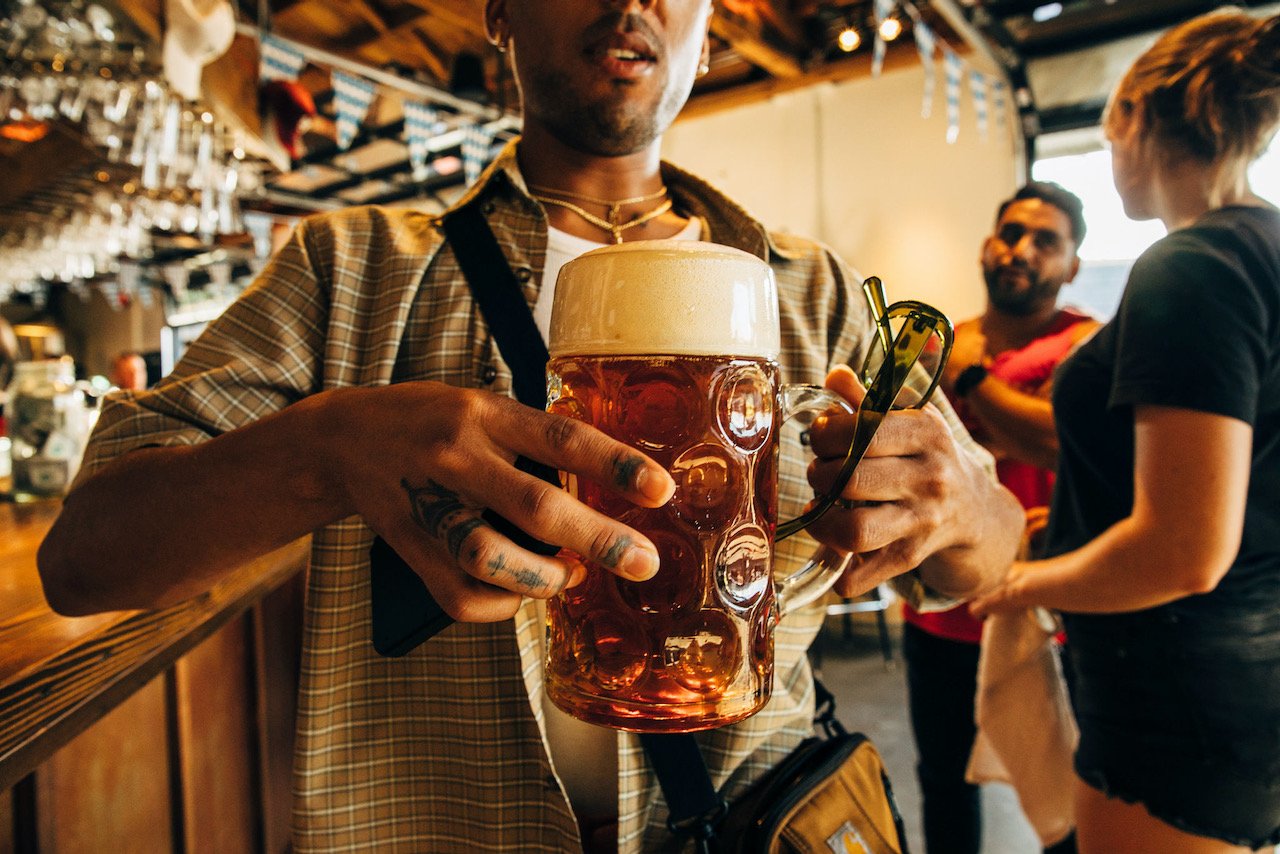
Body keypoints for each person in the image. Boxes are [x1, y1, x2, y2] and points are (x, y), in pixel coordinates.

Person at [37, 1, 1024, 851]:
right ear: (497, 13)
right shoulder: (352, 269)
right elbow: (83, 558)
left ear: (709, 30)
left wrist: (968, 505)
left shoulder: (811, 289)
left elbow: (985, 564)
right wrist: (326, 447)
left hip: (754, 814)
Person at [972, 9, 1280, 853]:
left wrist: (1022, 586)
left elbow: (1184, 550)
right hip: (1246, 671)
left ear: (1131, 116)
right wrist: (1072, 527)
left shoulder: (1190, 267)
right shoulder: (1266, 249)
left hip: (1176, 696)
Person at [904, 182, 1098, 854]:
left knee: (1064, 794)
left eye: (1047, 241)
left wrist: (969, 380)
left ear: (1071, 266)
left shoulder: (1084, 344)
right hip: (941, 606)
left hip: (1049, 613)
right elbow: (919, 452)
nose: (1022, 250)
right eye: (1012, 233)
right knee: (944, 786)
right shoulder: (946, 340)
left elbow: (1055, 439)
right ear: (988, 245)